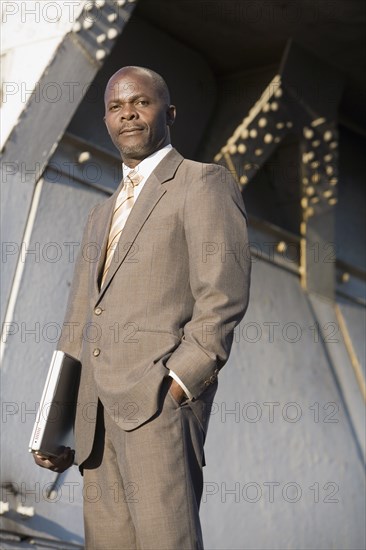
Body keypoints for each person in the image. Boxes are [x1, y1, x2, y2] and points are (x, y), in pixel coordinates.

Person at [34, 66, 251, 549]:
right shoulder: (99, 214)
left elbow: (223, 298)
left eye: (141, 103)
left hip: (158, 410)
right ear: (107, 120)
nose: (127, 114)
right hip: (95, 423)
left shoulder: (203, 183)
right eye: (115, 106)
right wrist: (55, 425)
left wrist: (175, 389)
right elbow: (80, 323)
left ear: (168, 112)